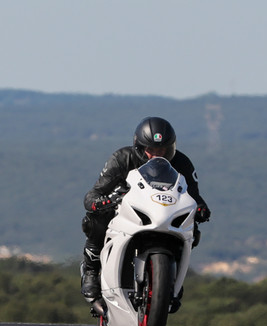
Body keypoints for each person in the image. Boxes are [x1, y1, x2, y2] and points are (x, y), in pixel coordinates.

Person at [81, 116, 210, 301]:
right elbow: (94, 194)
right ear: (139, 147)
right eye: (151, 150)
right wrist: (101, 202)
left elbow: (194, 196)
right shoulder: (122, 158)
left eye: (162, 150)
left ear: (170, 148)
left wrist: (201, 209)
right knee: (96, 219)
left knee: (192, 228)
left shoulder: (182, 163)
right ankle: (91, 271)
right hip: (127, 213)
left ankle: (172, 276)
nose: (156, 155)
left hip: (165, 214)